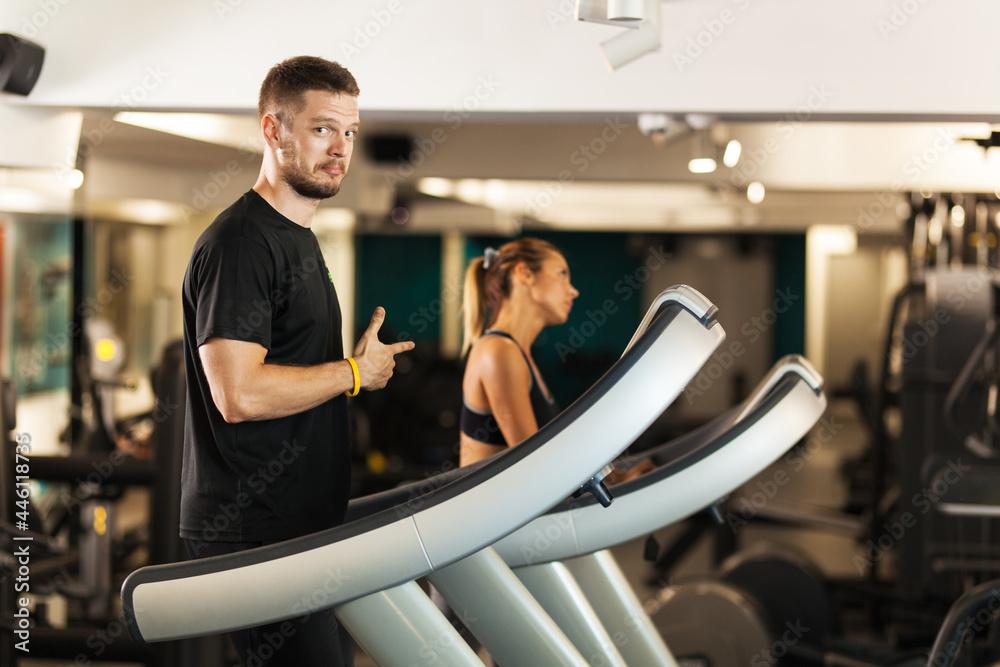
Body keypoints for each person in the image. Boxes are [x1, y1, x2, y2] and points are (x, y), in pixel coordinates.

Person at [179, 56, 413, 667]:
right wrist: (355, 373)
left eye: (351, 132)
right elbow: (239, 394)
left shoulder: (299, 238)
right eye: (321, 128)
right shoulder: (242, 245)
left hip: (298, 522)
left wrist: (350, 372)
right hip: (255, 528)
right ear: (272, 130)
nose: (341, 148)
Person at [459, 238, 577, 465]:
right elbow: (534, 467)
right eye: (562, 274)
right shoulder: (499, 351)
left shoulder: (518, 354)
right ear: (524, 273)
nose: (573, 291)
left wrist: (615, 477)